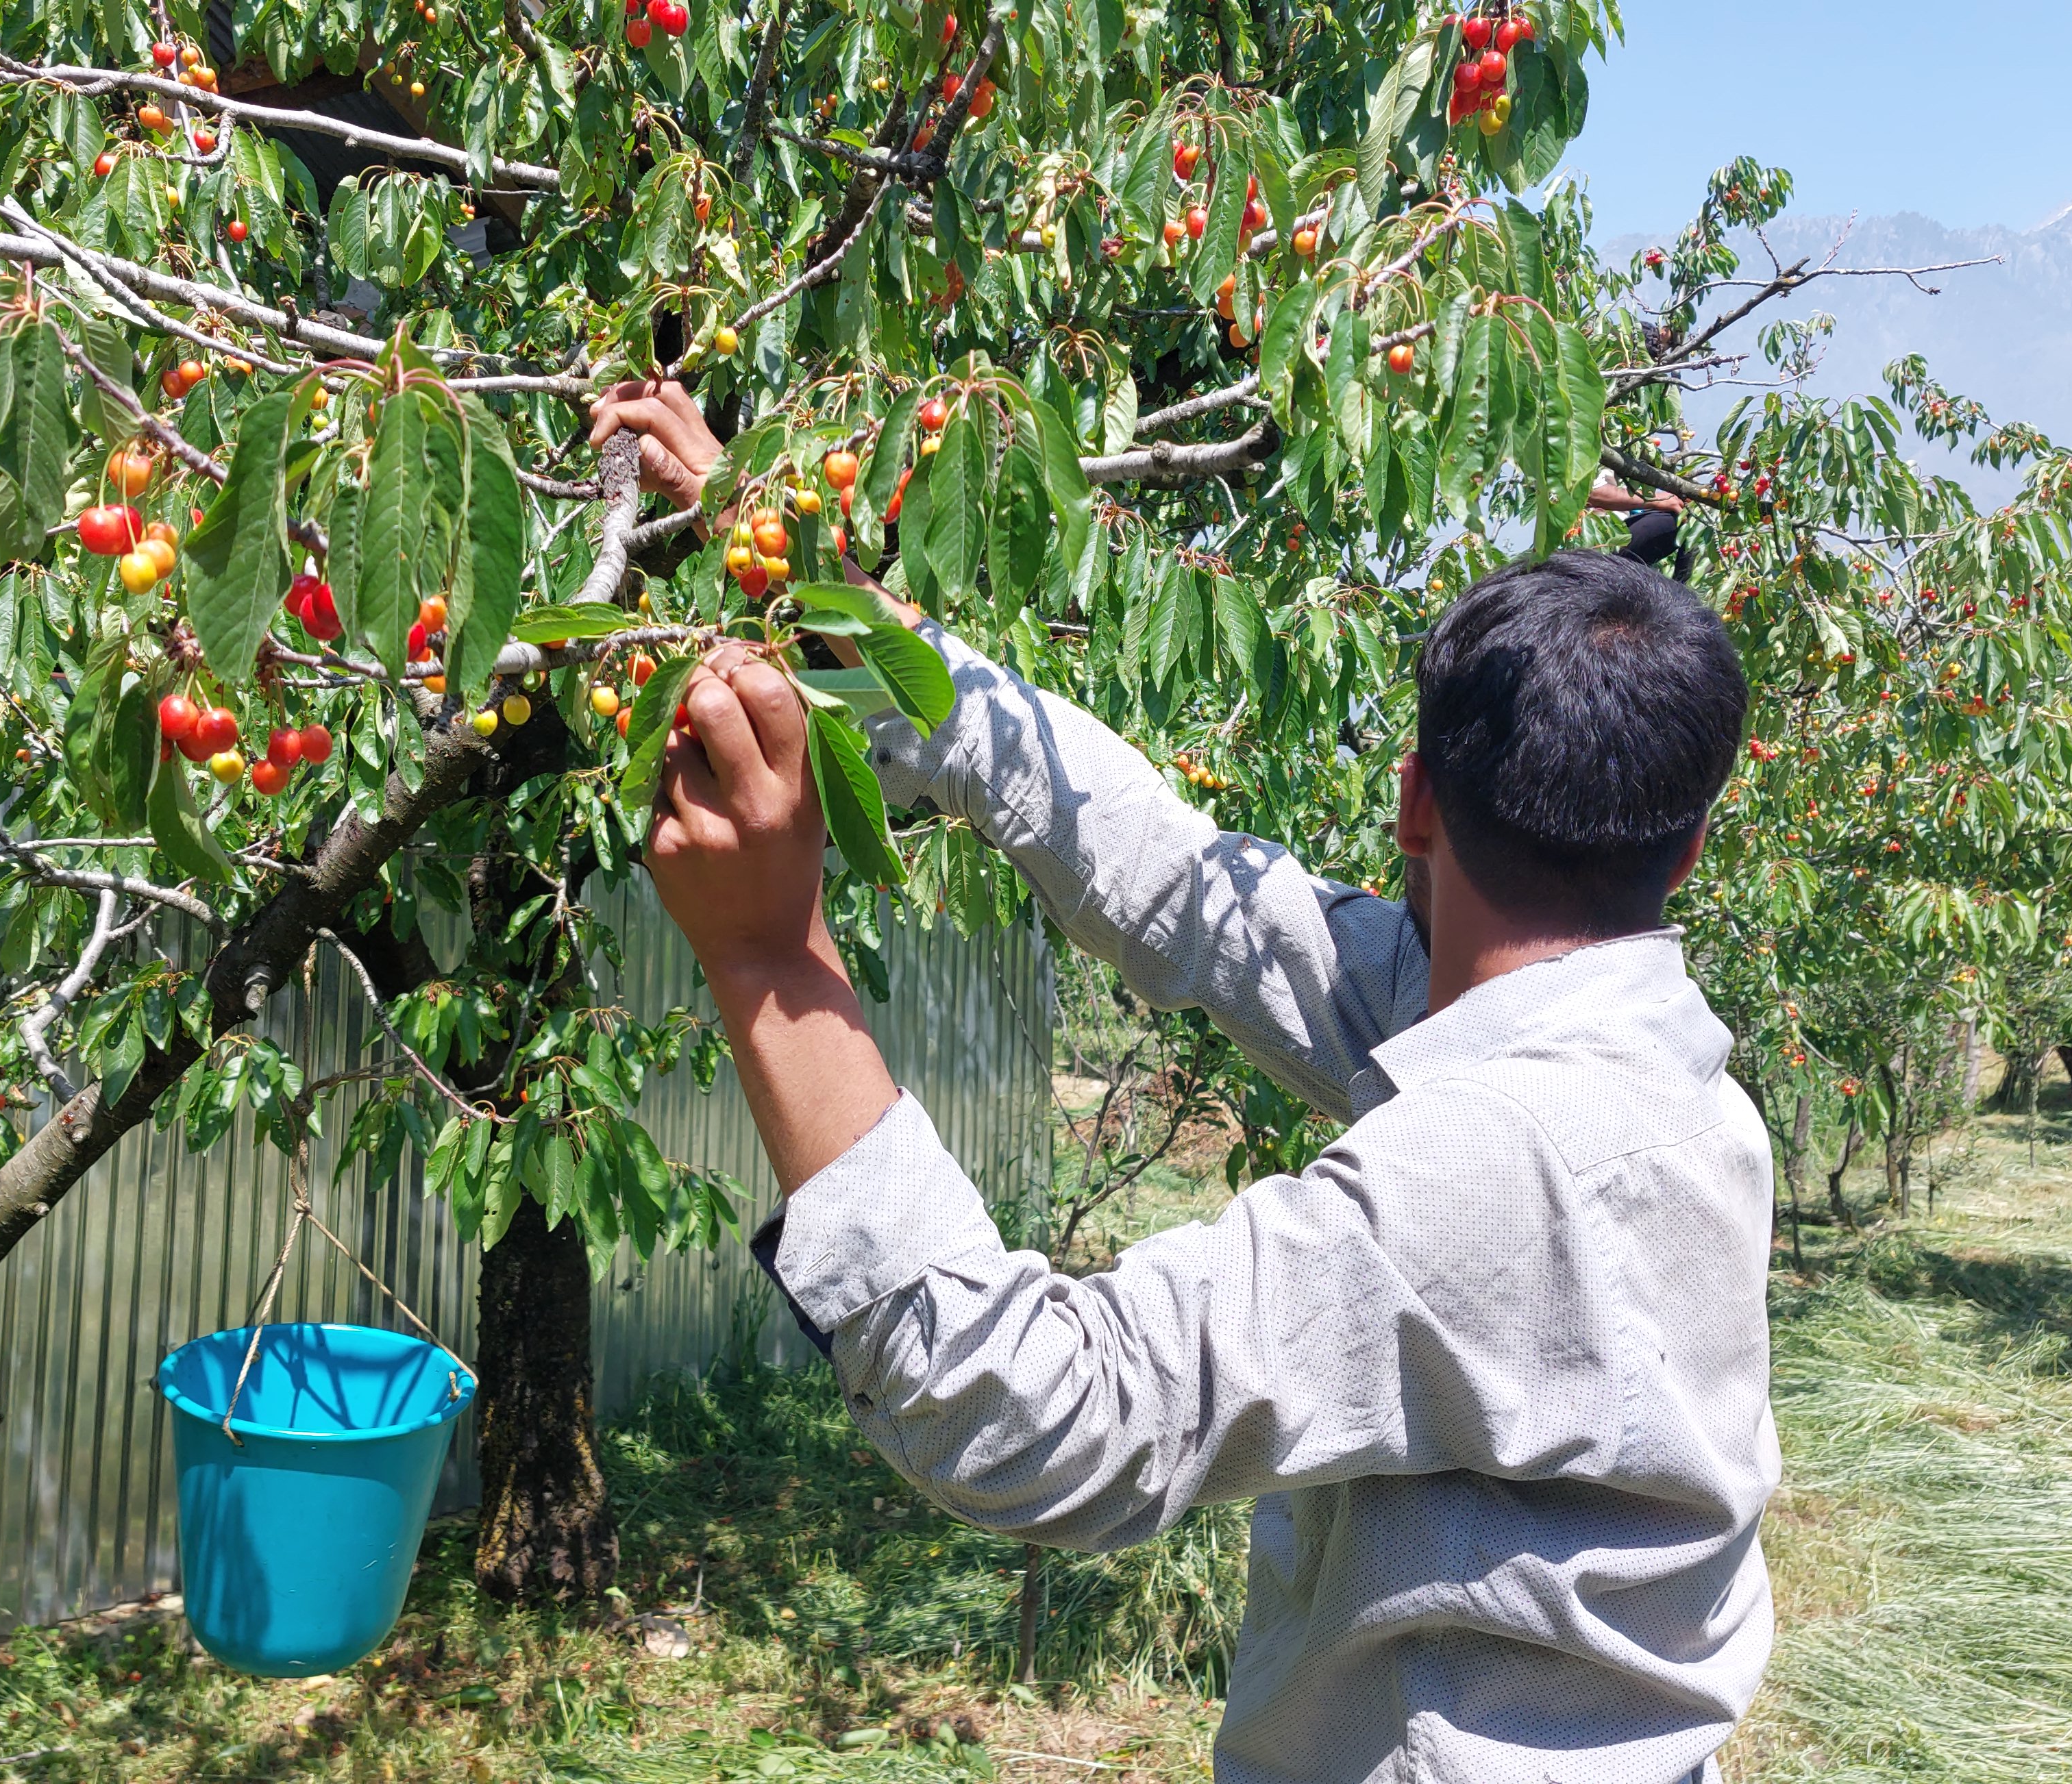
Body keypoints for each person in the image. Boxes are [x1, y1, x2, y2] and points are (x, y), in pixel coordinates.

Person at [594, 382, 1775, 1784]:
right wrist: (821, 595)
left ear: (1412, 801)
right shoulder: (1644, 1072)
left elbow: (1033, 1416)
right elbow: (1185, 886)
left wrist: (769, 964)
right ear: (1687, 845)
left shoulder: (1496, 1171)